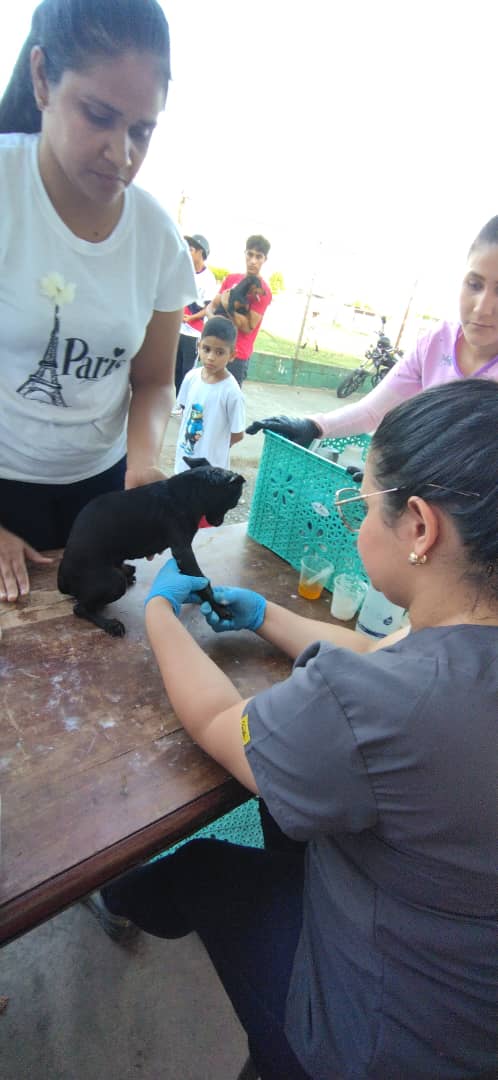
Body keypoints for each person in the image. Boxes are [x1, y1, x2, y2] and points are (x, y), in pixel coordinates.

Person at [86, 379, 497, 1079]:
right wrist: (263, 614)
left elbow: (221, 720)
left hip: (378, 1045)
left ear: (420, 527)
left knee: (197, 853)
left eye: (361, 502)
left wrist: (158, 613)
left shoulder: (373, 704)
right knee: (286, 829)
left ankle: (134, 903)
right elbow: (382, 652)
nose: (354, 520)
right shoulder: (454, 648)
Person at [0, 0, 197, 603]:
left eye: (141, 129)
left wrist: (141, 464)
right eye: (98, 116)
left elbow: (155, 382)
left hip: (101, 486)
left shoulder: (158, 236)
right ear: (41, 79)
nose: (122, 153)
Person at [246, 216, 498, 447]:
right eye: (474, 284)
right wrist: (314, 426)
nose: (483, 308)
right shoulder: (436, 342)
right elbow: (372, 411)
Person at [174, 315, 245, 473]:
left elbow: (238, 434)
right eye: (206, 349)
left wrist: (214, 445)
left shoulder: (232, 392)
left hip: (211, 471)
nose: (211, 357)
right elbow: (186, 411)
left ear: (232, 355)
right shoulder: (191, 378)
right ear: (198, 346)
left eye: (220, 352)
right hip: (183, 462)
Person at [207, 234, 272, 387]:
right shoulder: (231, 279)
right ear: (245, 254)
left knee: (228, 403)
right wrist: (213, 319)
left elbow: (247, 327)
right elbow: (211, 307)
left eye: (259, 256)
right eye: (250, 254)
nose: (253, 261)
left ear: (265, 260)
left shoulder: (262, 291)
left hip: (237, 355)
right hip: (213, 348)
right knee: (205, 396)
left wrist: (227, 304)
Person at [172, 232, 217, 406]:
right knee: (175, 368)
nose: (187, 252)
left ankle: (184, 404)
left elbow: (208, 307)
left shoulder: (208, 279)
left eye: (191, 249)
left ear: (201, 252)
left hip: (194, 333)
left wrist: (191, 317)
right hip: (178, 329)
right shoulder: (185, 272)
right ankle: (177, 401)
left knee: (187, 371)